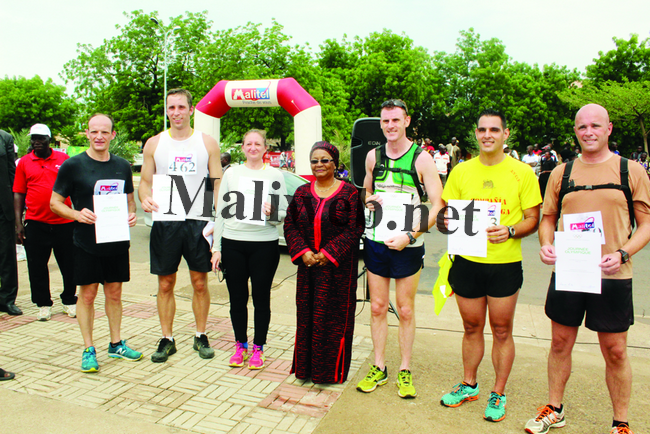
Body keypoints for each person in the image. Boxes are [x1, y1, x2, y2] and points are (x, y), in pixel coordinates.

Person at [526, 104, 650, 434]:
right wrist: (546, 244)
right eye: (582, 127)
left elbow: (647, 224)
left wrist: (623, 254)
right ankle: (554, 408)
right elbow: (547, 218)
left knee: (616, 351)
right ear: (576, 131)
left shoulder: (630, 171)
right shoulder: (561, 173)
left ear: (609, 129)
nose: (589, 132)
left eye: (596, 125)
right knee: (560, 343)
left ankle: (620, 422)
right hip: (570, 271)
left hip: (612, 274)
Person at [439, 109, 542, 422]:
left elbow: (533, 219)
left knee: (501, 330)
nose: (487, 135)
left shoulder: (522, 172)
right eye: (482, 130)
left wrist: (510, 231)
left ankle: (498, 391)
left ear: (505, 134)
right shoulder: (461, 171)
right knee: (471, 327)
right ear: (476, 133)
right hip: (467, 261)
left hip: (504, 264)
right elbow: (446, 211)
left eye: (494, 130)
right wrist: (447, 222)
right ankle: (469, 383)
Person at [357, 99, 444, 399]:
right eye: (385, 121)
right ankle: (379, 366)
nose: (390, 126)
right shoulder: (373, 156)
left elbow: (437, 206)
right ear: (380, 123)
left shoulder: (422, 159)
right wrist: (369, 201)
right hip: (377, 241)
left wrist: (410, 234)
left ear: (406, 121)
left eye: (395, 120)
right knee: (378, 307)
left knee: (405, 309)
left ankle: (405, 370)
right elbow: (366, 192)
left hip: (408, 244)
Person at [51, 113, 142, 372]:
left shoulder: (123, 165)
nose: (99, 136)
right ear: (87, 134)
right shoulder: (73, 165)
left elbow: (130, 200)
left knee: (114, 294)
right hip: (85, 243)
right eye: (94, 132)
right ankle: (88, 349)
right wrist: (77, 214)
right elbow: (54, 203)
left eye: (105, 132)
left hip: (115, 242)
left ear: (113, 135)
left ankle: (116, 344)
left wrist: (131, 214)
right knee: (88, 296)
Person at [139, 88, 222, 363]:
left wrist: (218, 213)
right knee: (165, 284)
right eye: (171, 107)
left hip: (198, 220)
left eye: (181, 107)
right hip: (166, 221)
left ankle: (200, 335)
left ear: (191, 110)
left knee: (200, 282)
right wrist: (145, 199)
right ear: (167, 110)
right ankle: (167, 338)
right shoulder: (154, 143)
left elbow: (216, 181)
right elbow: (145, 183)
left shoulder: (207, 143)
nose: (176, 112)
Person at [284, 141, 364, 384]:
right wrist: (303, 251)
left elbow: (354, 228)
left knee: (333, 319)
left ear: (335, 164)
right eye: (314, 161)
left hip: (338, 271)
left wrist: (328, 253)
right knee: (308, 317)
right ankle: (305, 370)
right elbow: (290, 224)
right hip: (307, 268)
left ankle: (329, 373)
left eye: (324, 160)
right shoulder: (302, 193)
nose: (319, 165)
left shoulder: (349, 193)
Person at [210, 129, 287, 370]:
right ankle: (240, 345)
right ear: (242, 147)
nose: (253, 147)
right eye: (248, 144)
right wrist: (217, 247)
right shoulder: (232, 173)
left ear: (265, 148)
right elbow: (221, 211)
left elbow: (283, 213)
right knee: (237, 299)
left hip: (264, 244)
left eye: (258, 144)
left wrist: (271, 213)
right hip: (234, 243)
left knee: (261, 299)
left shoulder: (275, 174)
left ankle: (258, 348)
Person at [13, 124, 77, 321]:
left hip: (64, 221)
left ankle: (69, 300)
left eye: (41, 138)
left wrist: (77, 215)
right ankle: (43, 304)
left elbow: (74, 188)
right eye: (33, 139)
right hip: (36, 222)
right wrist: (18, 223)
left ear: (50, 140)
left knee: (69, 265)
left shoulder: (63, 160)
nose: (36, 142)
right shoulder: (24, 162)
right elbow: (18, 193)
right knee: (37, 266)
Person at [0, 129, 21, 316]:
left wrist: (17, 208)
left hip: (2, 206)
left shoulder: (4, 137)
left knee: (6, 253)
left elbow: (11, 172)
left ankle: (7, 299)